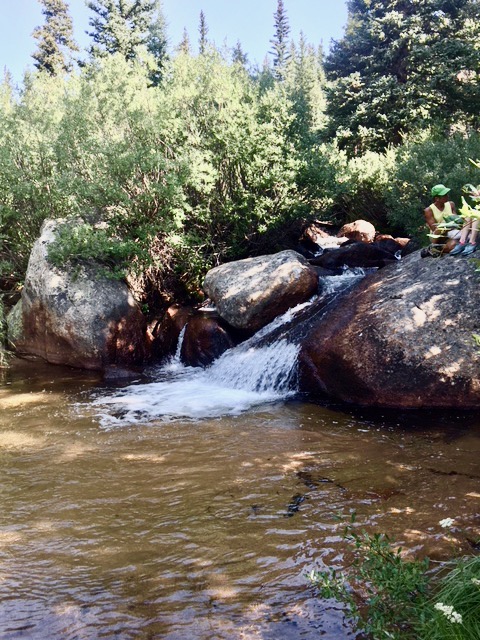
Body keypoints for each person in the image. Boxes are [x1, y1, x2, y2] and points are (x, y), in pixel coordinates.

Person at [424, 184, 478, 255]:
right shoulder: (429, 210)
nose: (447, 196)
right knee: (441, 231)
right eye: (444, 195)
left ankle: (438, 249)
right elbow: (434, 228)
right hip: (439, 235)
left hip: (452, 231)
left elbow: (457, 220)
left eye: (446, 194)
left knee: (454, 244)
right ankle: (434, 247)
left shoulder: (451, 204)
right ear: (437, 198)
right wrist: (449, 224)